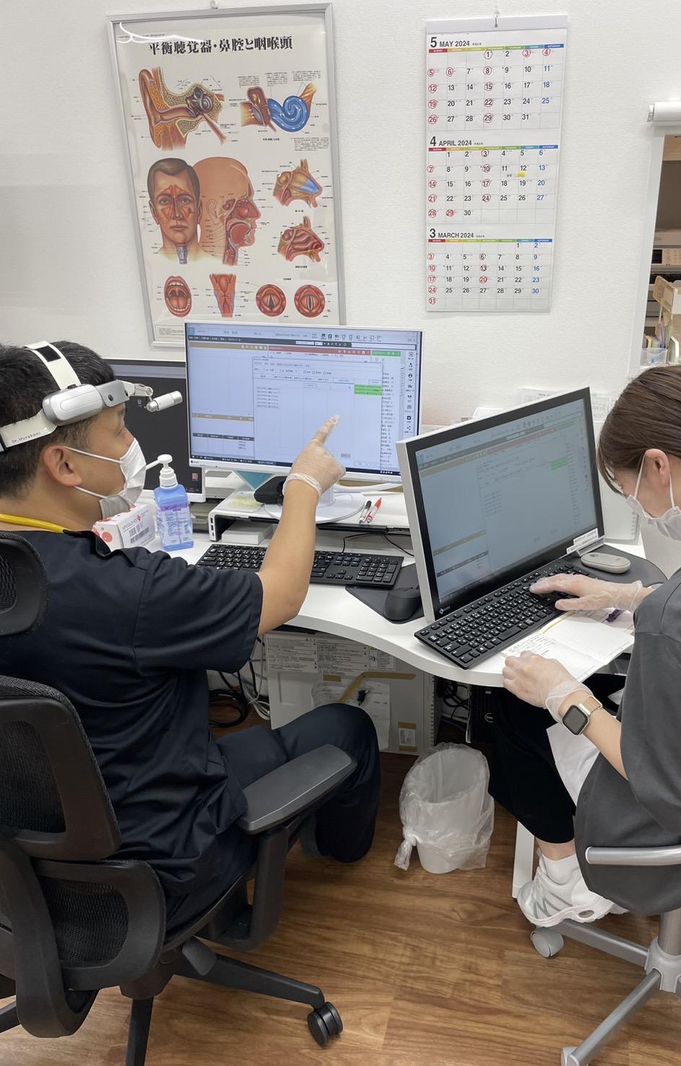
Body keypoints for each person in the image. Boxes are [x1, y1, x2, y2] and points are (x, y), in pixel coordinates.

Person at [0, 341, 380, 931]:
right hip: (161, 865)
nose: (131, 445)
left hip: (21, 873)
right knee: (348, 728)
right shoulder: (129, 592)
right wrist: (304, 485)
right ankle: (330, 861)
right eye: (119, 431)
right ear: (65, 466)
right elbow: (280, 595)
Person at [496, 365, 681, 927]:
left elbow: (672, 796)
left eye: (627, 490)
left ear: (659, 465)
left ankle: (567, 884)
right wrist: (630, 596)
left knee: (510, 710)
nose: (636, 507)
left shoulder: (678, 620)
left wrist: (566, 697)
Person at [147, 158, 203, 264]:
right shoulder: (151, 264)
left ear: (199, 210)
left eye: (184, 200)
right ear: (154, 212)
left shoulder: (217, 265)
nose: (177, 214)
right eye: (164, 201)